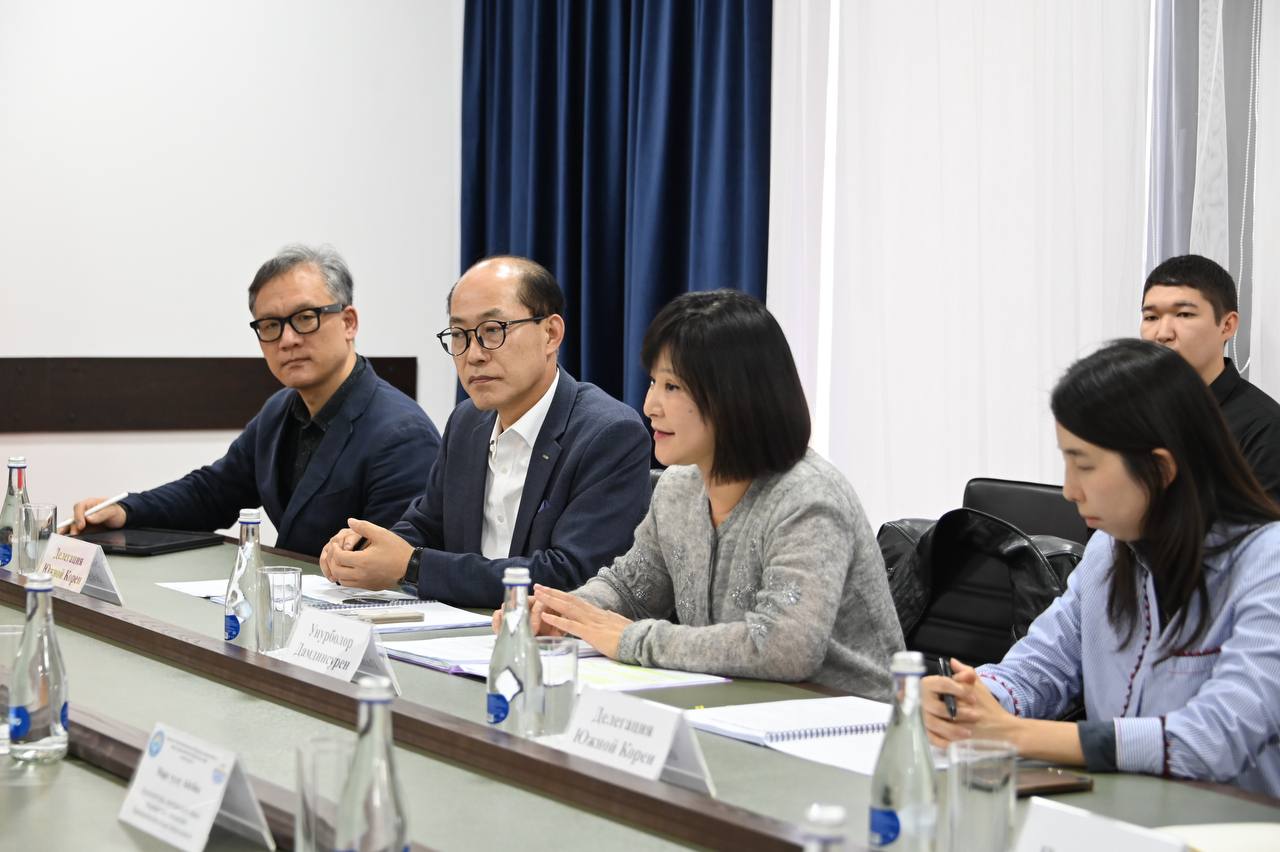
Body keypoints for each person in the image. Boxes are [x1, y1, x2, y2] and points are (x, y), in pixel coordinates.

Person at [922, 339, 1280, 796]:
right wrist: (973, 699)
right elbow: (1038, 669)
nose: (1069, 490)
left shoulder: (1266, 562)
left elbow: (1212, 739)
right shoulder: (1109, 550)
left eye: (1085, 466)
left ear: (1160, 469)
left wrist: (1017, 735)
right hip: (1125, 812)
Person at [519, 290, 904, 699]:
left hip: (848, 720)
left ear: (735, 396)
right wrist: (562, 614)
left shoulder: (808, 499)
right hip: (734, 707)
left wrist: (633, 640)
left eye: (672, 386)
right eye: (653, 382)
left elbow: (784, 648)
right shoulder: (678, 487)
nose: (649, 405)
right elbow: (631, 589)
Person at [319, 256, 651, 608]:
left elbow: (572, 575)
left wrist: (412, 566)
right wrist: (365, 548)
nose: (474, 354)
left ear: (551, 334)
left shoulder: (609, 434)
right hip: (462, 628)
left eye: (493, 330)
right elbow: (426, 526)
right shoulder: (466, 423)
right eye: (459, 335)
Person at [68, 245, 440, 557]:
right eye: (270, 325)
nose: (288, 339)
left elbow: (392, 566)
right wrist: (125, 510)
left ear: (348, 322)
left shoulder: (401, 435)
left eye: (305, 318)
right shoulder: (279, 411)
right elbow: (212, 494)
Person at [1141, 254, 1280, 502]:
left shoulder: (1265, 429)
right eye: (1151, 317)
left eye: (1184, 314)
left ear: (1227, 325)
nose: (1162, 334)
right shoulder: (1134, 411)